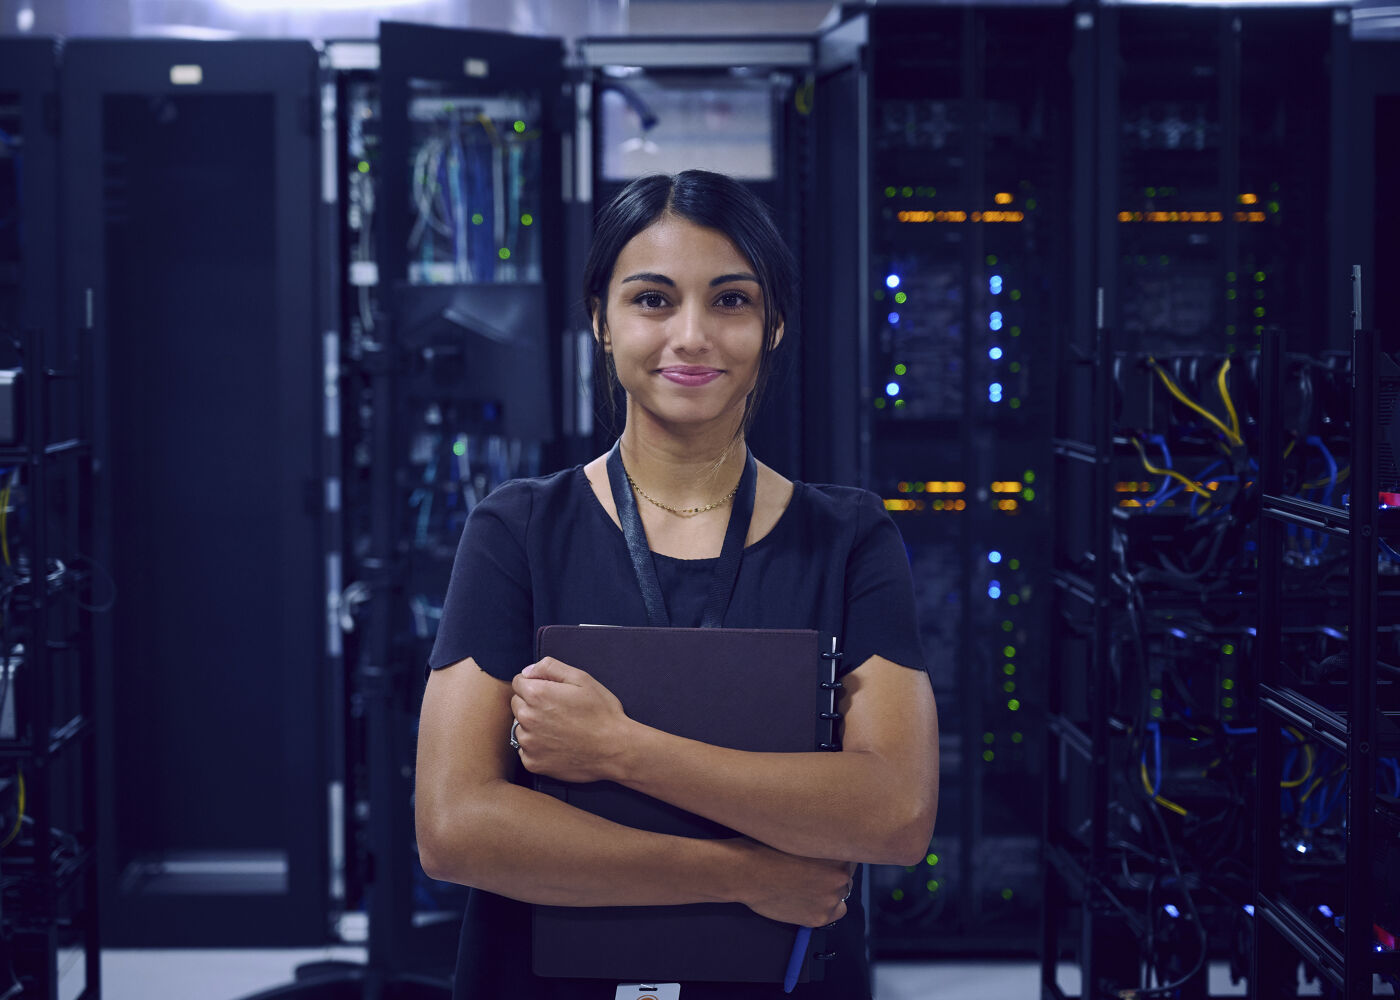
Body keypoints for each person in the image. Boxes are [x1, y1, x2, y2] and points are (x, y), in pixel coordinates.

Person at [415, 169, 939, 1000]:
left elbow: (896, 813)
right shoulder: (516, 530)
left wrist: (619, 749)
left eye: (730, 301)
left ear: (773, 324)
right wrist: (741, 873)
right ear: (600, 319)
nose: (691, 336)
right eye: (653, 300)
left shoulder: (849, 540)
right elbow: (453, 829)